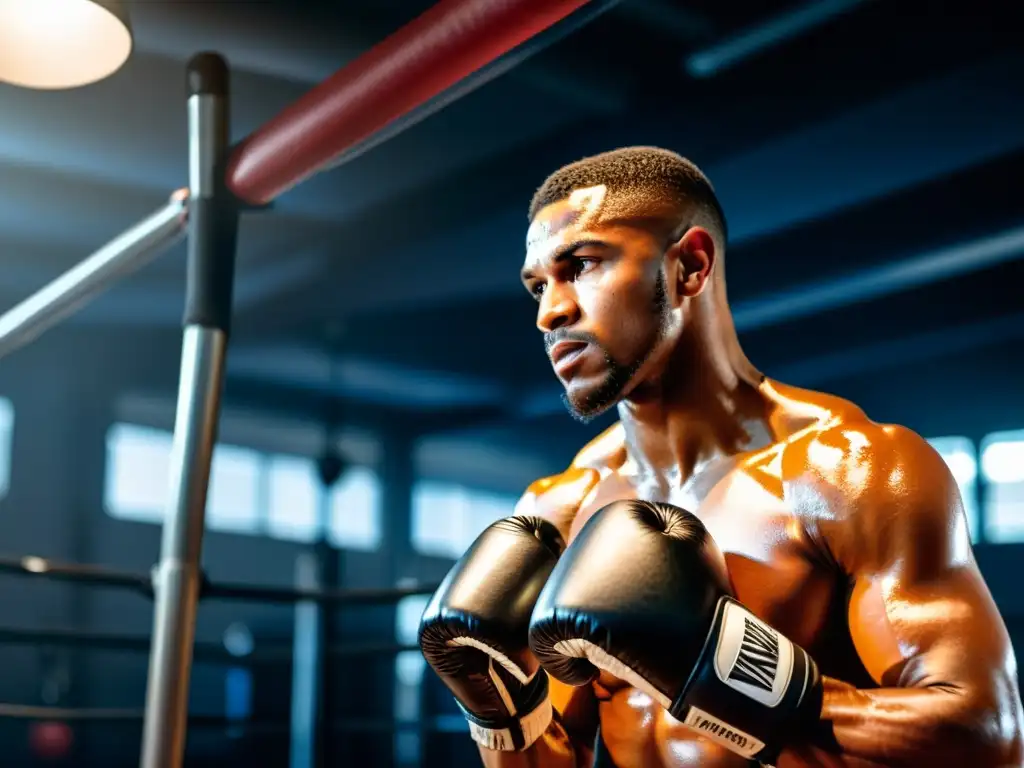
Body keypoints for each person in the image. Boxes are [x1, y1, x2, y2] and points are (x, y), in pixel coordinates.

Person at [418, 146, 1024, 767]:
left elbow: (987, 737)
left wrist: (734, 674)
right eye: (538, 285)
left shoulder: (848, 471)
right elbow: (557, 757)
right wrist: (503, 719)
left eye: (582, 265)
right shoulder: (560, 507)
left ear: (690, 265)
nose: (551, 311)